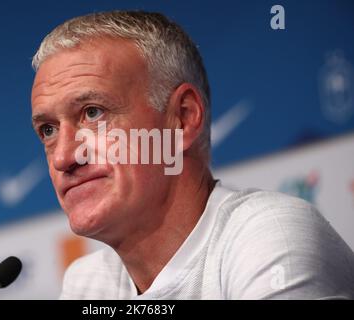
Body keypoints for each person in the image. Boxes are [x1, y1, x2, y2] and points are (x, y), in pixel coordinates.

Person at [30, 10, 354, 299]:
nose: (63, 158)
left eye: (92, 113)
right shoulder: (90, 284)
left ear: (182, 118)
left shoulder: (270, 236)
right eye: (48, 130)